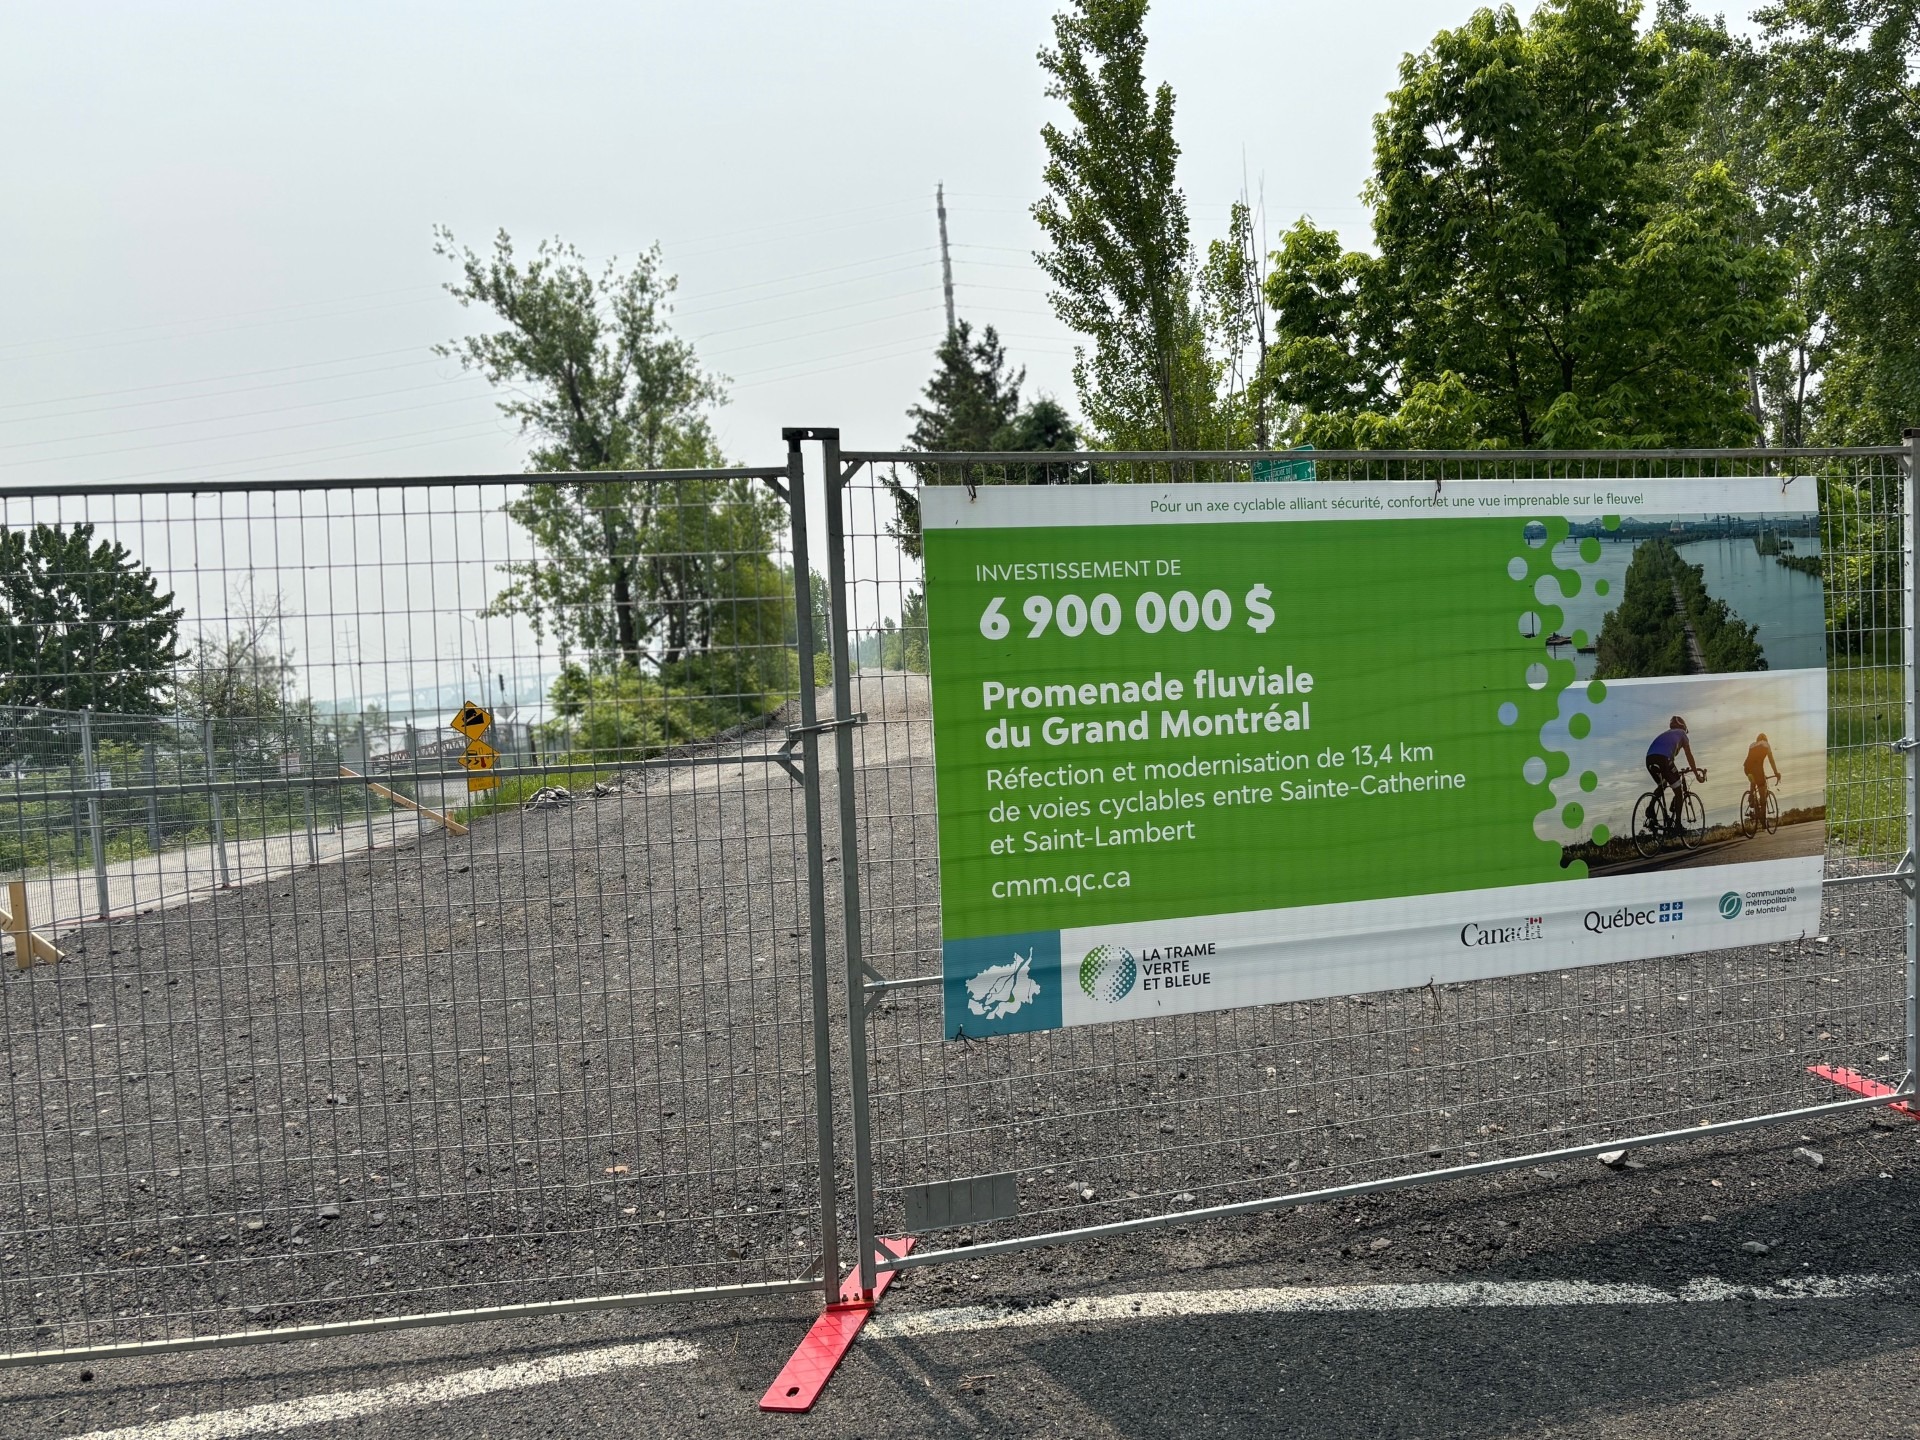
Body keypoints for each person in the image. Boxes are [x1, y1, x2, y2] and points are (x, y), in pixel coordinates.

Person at [1645, 716, 1701, 832]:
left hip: (1649, 759)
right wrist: (1696, 774)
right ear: (1683, 726)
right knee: (1678, 790)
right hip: (1664, 759)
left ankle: (1651, 808)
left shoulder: (1666, 733)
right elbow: (1689, 756)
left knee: (1663, 784)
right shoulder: (1682, 734)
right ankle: (1678, 825)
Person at [1745, 732, 1781, 806]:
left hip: (1747, 769)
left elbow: (1751, 761)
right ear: (1766, 740)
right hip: (1757, 769)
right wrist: (1776, 772)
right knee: (1761, 787)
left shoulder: (1752, 745)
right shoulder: (1766, 744)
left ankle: (1751, 797)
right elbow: (1771, 760)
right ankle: (1762, 815)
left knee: (1754, 780)